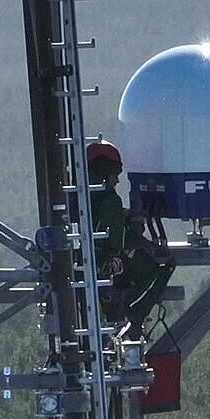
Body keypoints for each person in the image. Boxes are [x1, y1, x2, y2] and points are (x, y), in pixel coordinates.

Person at [87, 140, 174, 337]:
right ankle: (134, 313)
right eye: (114, 175)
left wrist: (123, 215)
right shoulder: (110, 199)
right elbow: (120, 239)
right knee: (164, 263)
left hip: (89, 259)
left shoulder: (81, 195)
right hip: (108, 262)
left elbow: (100, 222)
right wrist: (136, 223)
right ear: (105, 172)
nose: (117, 181)